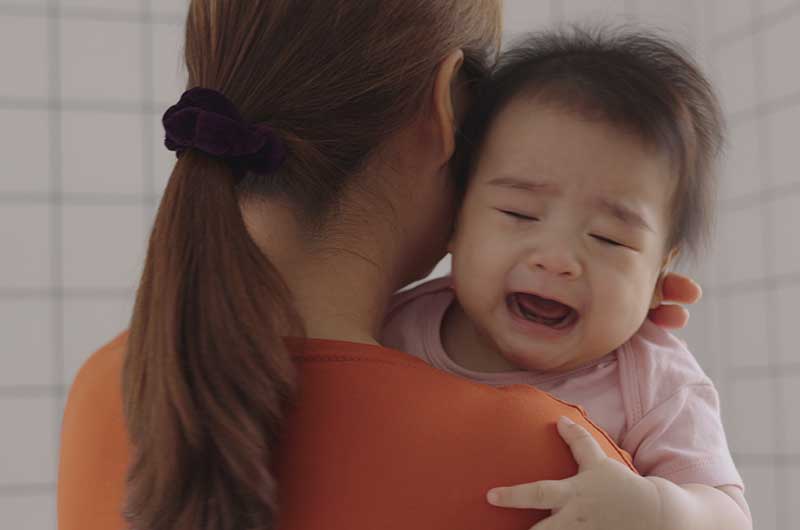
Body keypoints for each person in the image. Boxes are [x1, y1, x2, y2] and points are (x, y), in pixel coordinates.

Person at [57, 3, 702, 530]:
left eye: (607, 237)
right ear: (448, 108)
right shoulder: (546, 459)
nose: (556, 258)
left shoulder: (112, 386)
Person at [382, 27, 752, 530]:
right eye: (520, 213)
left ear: (661, 276)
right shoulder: (392, 328)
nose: (557, 259)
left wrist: (657, 509)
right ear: (455, 218)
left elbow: (729, 518)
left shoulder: (651, 381)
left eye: (609, 239)